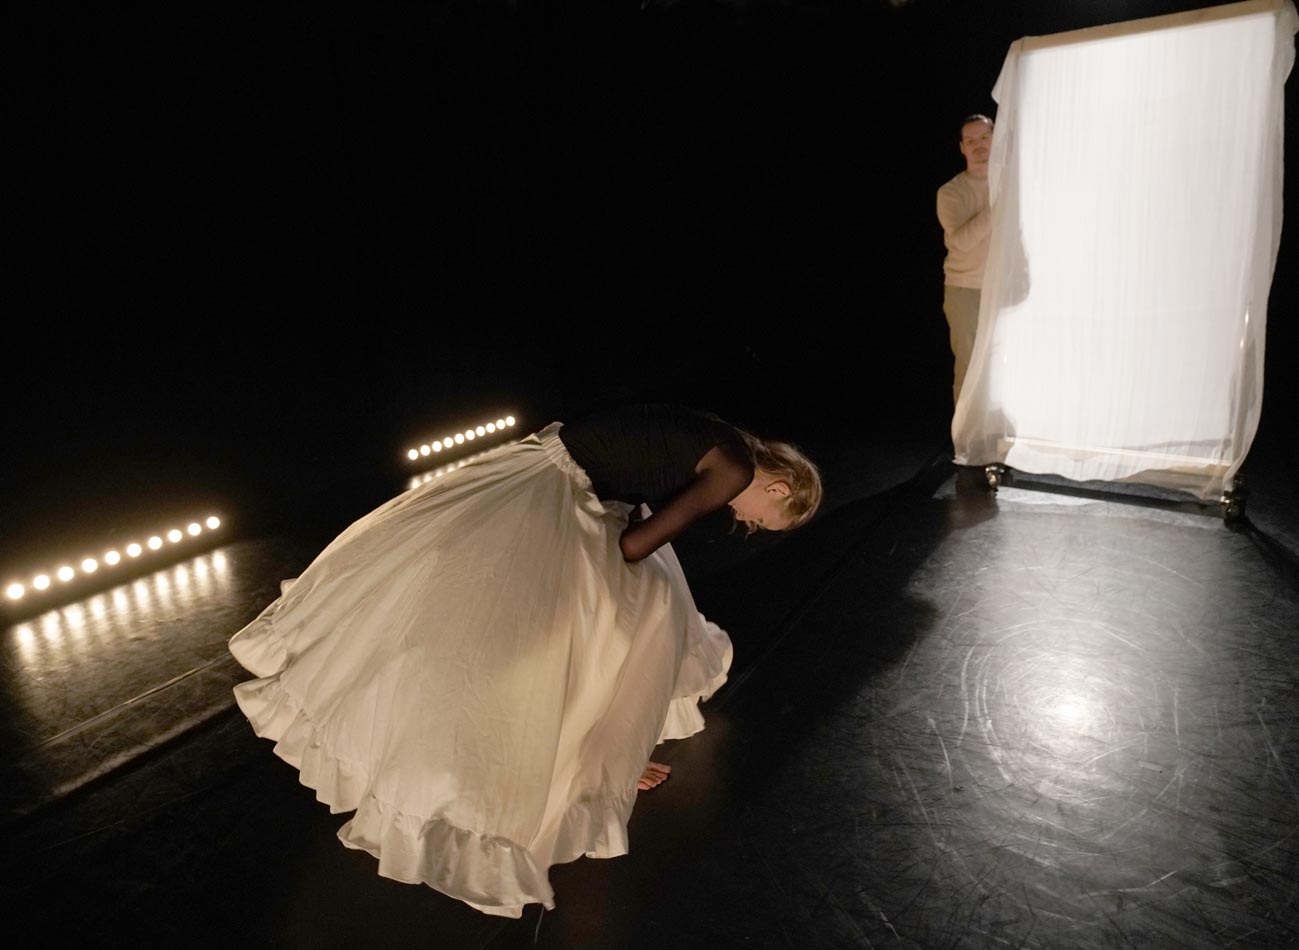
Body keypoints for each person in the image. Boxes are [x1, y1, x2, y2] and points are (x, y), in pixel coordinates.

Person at [227, 402, 821, 918]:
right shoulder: (736, 470)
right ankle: (554, 771)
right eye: (763, 521)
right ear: (777, 490)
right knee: (587, 637)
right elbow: (637, 543)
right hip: (553, 498)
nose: (747, 523)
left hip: (548, 472)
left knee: (630, 624)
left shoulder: (731, 441)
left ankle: (605, 755)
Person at [936, 113, 994, 404]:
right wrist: (998, 208)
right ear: (962, 148)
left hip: (1004, 288)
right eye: (971, 141)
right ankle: (967, 430)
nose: (978, 145)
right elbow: (961, 242)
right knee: (970, 367)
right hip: (966, 289)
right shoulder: (951, 192)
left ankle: (999, 428)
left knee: (1004, 364)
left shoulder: (1013, 184)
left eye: (984, 137)